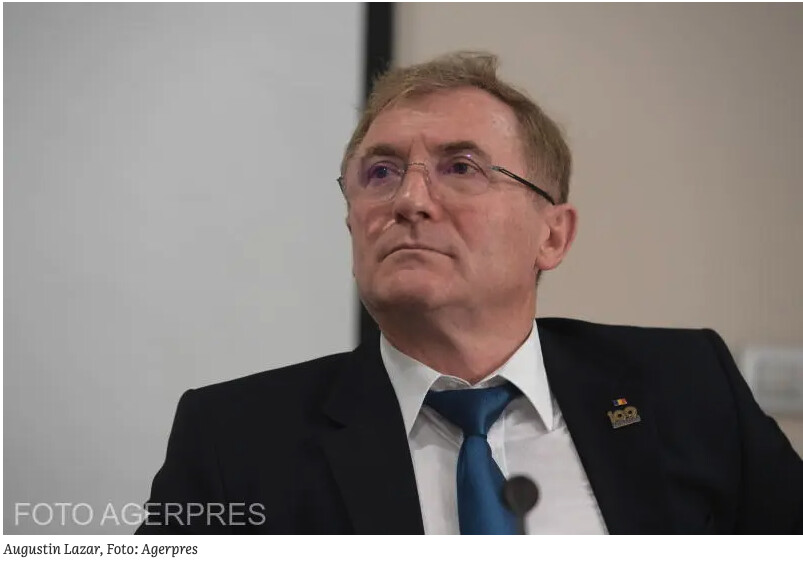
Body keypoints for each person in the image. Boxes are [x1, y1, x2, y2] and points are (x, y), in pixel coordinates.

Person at [137, 51, 803, 535]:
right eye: (380, 172)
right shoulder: (235, 440)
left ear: (552, 235)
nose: (409, 200)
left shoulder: (687, 386)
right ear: (352, 223)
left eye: (460, 167)